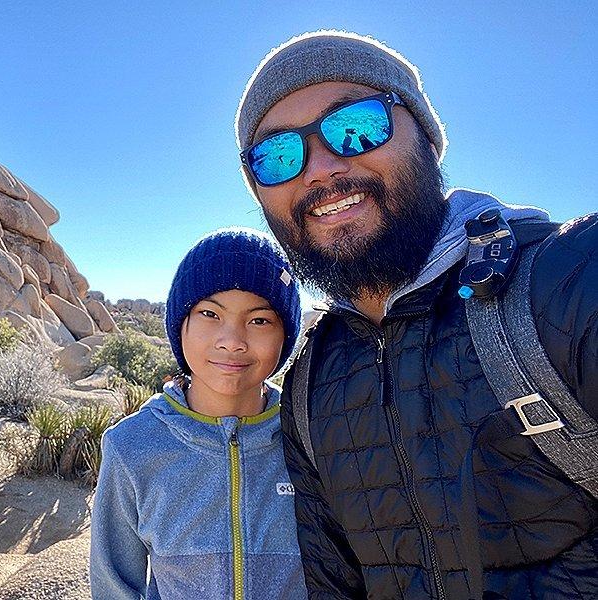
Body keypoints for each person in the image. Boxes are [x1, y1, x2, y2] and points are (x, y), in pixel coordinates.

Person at [235, 31, 598, 598]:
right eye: (277, 157)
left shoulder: (566, 280)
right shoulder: (310, 382)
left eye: (355, 126)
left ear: (426, 138)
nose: (320, 169)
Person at [89, 227, 307, 599]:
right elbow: (114, 584)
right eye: (210, 314)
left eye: (259, 320)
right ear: (180, 325)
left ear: (285, 335)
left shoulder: (311, 438)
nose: (232, 340)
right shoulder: (131, 448)